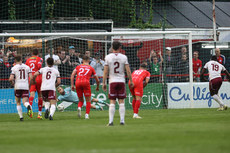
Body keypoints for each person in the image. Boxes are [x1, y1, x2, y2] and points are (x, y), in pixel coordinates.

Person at [102, 41, 134, 126]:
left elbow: (105, 72)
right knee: (121, 101)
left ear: (112, 47)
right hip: (121, 81)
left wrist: (104, 82)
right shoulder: (124, 57)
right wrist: (131, 80)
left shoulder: (108, 57)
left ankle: (110, 122)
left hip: (112, 81)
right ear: (120, 48)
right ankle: (122, 121)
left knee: (112, 101)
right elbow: (128, 70)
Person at [71, 55, 99, 119]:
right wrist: (97, 86)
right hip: (86, 82)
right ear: (89, 61)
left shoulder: (78, 67)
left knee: (81, 100)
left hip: (78, 82)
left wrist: (72, 85)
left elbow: (72, 75)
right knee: (88, 100)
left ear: (82, 60)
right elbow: (97, 79)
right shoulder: (91, 68)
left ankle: (79, 107)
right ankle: (86, 115)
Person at [8, 55, 33, 121]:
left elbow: (10, 79)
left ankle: (21, 117)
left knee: (18, 102)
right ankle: (28, 106)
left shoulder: (14, 68)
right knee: (25, 102)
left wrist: (12, 83)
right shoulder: (27, 67)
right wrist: (29, 85)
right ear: (21, 59)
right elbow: (31, 78)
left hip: (17, 86)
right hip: (25, 86)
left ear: (15, 61)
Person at [25, 49, 44, 119]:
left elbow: (26, 69)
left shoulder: (28, 60)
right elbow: (39, 67)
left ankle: (30, 109)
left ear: (32, 53)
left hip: (31, 78)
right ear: (38, 53)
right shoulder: (40, 59)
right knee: (40, 96)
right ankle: (39, 114)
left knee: (32, 94)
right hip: (39, 78)